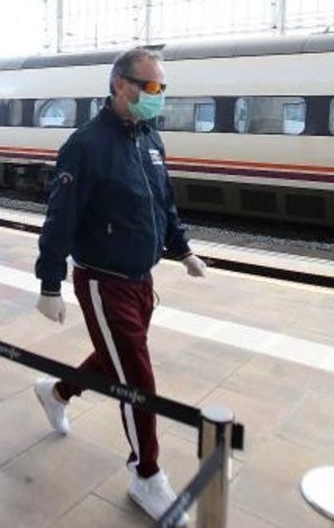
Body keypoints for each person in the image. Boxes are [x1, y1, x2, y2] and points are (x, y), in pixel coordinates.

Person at [30, 47, 207, 526]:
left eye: (162, 88)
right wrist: (50, 283)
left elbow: (163, 204)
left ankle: (58, 392)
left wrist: (183, 249)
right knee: (138, 381)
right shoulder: (85, 145)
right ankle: (145, 474)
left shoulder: (151, 139)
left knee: (117, 361)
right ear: (119, 85)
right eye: (149, 87)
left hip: (140, 279)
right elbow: (60, 217)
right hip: (102, 281)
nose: (157, 96)